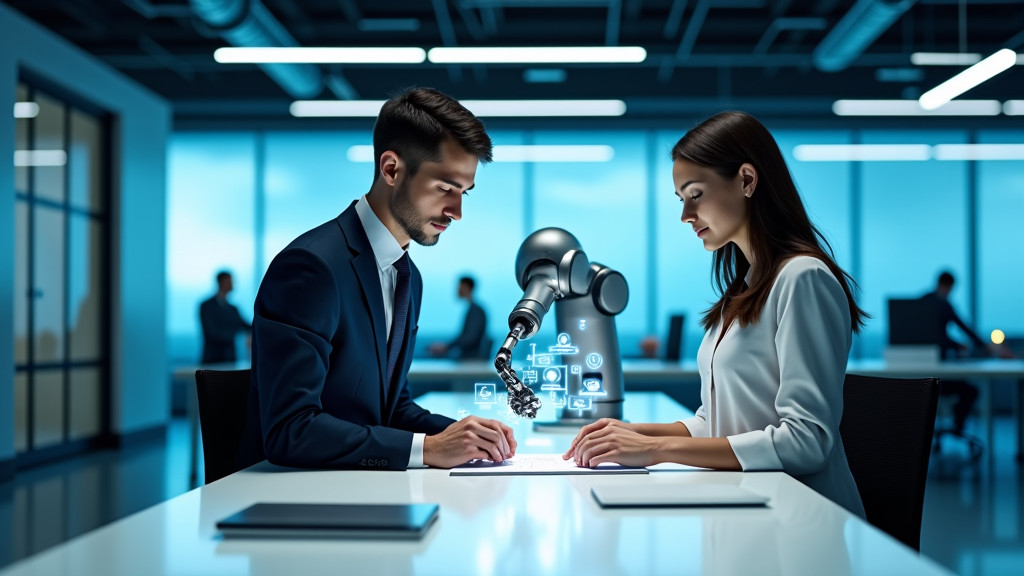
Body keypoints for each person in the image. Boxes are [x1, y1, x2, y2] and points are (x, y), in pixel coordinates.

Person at [563, 111, 868, 517]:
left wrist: (655, 449)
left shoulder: (802, 278)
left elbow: (806, 442)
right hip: (748, 504)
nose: (686, 216)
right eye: (682, 199)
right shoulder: (744, 287)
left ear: (746, 180)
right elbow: (720, 424)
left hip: (803, 520)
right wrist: (632, 433)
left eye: (696, 194)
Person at [238, 87, 516, 471]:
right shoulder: (311, 267)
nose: (457, 211)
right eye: (445, 188)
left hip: (363, 487)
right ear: (391, 169)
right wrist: (429, 451)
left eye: (465, 192)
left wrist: (462, 435)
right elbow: (291, 430)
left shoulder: (407, 276)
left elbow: (390, 408)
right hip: (299, 499)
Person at [920, 270, 1011, 437]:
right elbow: (961, 328)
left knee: (964, 386)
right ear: (948, 286)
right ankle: (957, 426)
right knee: (970, 390)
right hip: (936, 373)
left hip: (920, 373)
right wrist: (980, 346)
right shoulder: (942, 304)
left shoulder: (922, 302)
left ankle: (954, 423)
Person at [429, 275, 488, 359]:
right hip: (469, 357)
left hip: (472, 359)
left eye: (460, 287)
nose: (457, 290)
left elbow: (470, 337)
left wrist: (446, 347)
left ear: (467, 287)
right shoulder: (474, 309)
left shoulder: (476, 311)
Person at [198, 270, 251, 364]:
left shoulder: (233, 309)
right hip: (212, 358)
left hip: (230, 358)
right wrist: (235, 332)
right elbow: (211, 332)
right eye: (229, 281)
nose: (232, 284)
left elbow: (244, 325)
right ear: (220, 282)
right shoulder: (206, 306)